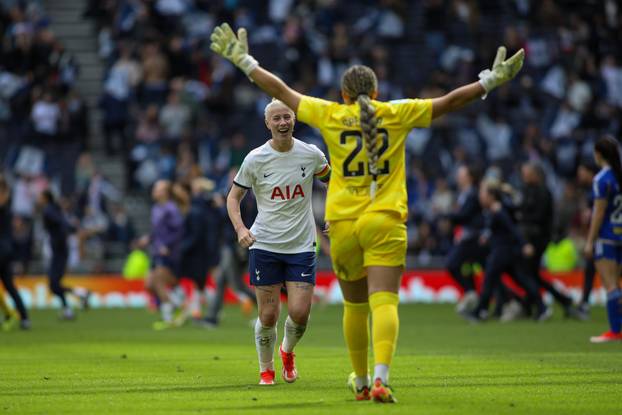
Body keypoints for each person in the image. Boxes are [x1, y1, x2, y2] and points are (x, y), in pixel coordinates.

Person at [210, 22, 524, 402]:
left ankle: (359, 380)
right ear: (375, 91)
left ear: (343, 94)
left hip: (342, 224)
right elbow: (450, 102)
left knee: (354, 306)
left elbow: (281, 91)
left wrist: (245, 61)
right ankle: (380, 377)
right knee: (384, 302)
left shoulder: (329, 115)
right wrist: (489, 81)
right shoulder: (397, 113)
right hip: (384, 220)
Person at [227, 98, 331, 386]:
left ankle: (287, 351)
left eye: (287, 117)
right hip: (265, 244)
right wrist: (240, 228)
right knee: (269, 314)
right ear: (267, 123)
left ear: (294, 120)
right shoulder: (255, 158)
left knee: (300, 313)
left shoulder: (311, 154)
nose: (283, 122)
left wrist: (333, 214)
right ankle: (266, 369)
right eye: (277, 118)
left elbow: (333, 182)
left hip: (301, 245)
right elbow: (233, 197)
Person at [465, 179, 551, 323]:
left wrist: (524, 244)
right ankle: (542, 307)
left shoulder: (498, 210)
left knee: (489, 279)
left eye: (483, 192)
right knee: (521, 279)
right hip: (507, 250)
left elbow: (512, 228)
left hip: (501, 251)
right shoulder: (496, 209)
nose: (480, 196)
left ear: (491, 195)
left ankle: (480, 311)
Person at [516, 162, 585, 320]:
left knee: (528, 274)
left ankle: (535, 306)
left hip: (538, 240)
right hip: (529, 238)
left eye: (526, 172)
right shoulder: (527, 190)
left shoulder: (543, 192)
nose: (523, 175)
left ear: (536, 174)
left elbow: (539, 217)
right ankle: (561, 302)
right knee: (532, 275)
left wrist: (521, 217)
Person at [584, 136, 622, 343]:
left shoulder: (601, 179)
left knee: (610, 286)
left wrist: (590, 241)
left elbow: (598, 214)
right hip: (620, 235)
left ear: (598, 154)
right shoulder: (619, 177)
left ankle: (615, 331)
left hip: (606, 237)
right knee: (616, 284)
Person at [139, 180, 185, 330]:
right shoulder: (156, 208)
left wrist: (168, 245)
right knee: (149, 285)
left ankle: (168, 318)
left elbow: (178, 231)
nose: (154, 191)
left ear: (165, 192)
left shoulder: (171, 209)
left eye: (158, 189)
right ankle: (179, 303)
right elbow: (158, 230)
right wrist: (149, 238)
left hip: (168, 252)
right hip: (156, 251)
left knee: (158, 282)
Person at [38, 190, 90, 320]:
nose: (38, 199)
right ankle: (77, 297)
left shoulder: (48, 211)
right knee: (54, 284)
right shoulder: (53, 210)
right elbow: (63, 223)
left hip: (59, 251)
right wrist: (73, 230)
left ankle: (74, 301)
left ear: (45, 198)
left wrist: (70, 231)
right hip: (60, 250)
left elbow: (62, 223)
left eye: (40, 197)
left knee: (54, 284)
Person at [446, 164, 486, 314]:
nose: (458, 177)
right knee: (472, 268)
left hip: (474, 238)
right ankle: (476, 300)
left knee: (453, 264)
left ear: (469, 177)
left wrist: (447, 215)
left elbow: (465, 216)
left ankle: (472, 294)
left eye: (461, 175)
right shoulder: (464, 194)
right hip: (469, 237)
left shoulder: (472, 194)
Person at [0, 176, 30, 330]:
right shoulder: (7, 205)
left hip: (2, 250)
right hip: (6, 250)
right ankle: (24, 318)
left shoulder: (4, 205)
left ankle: (10, 314)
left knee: (9, 286)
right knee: (9, 286)